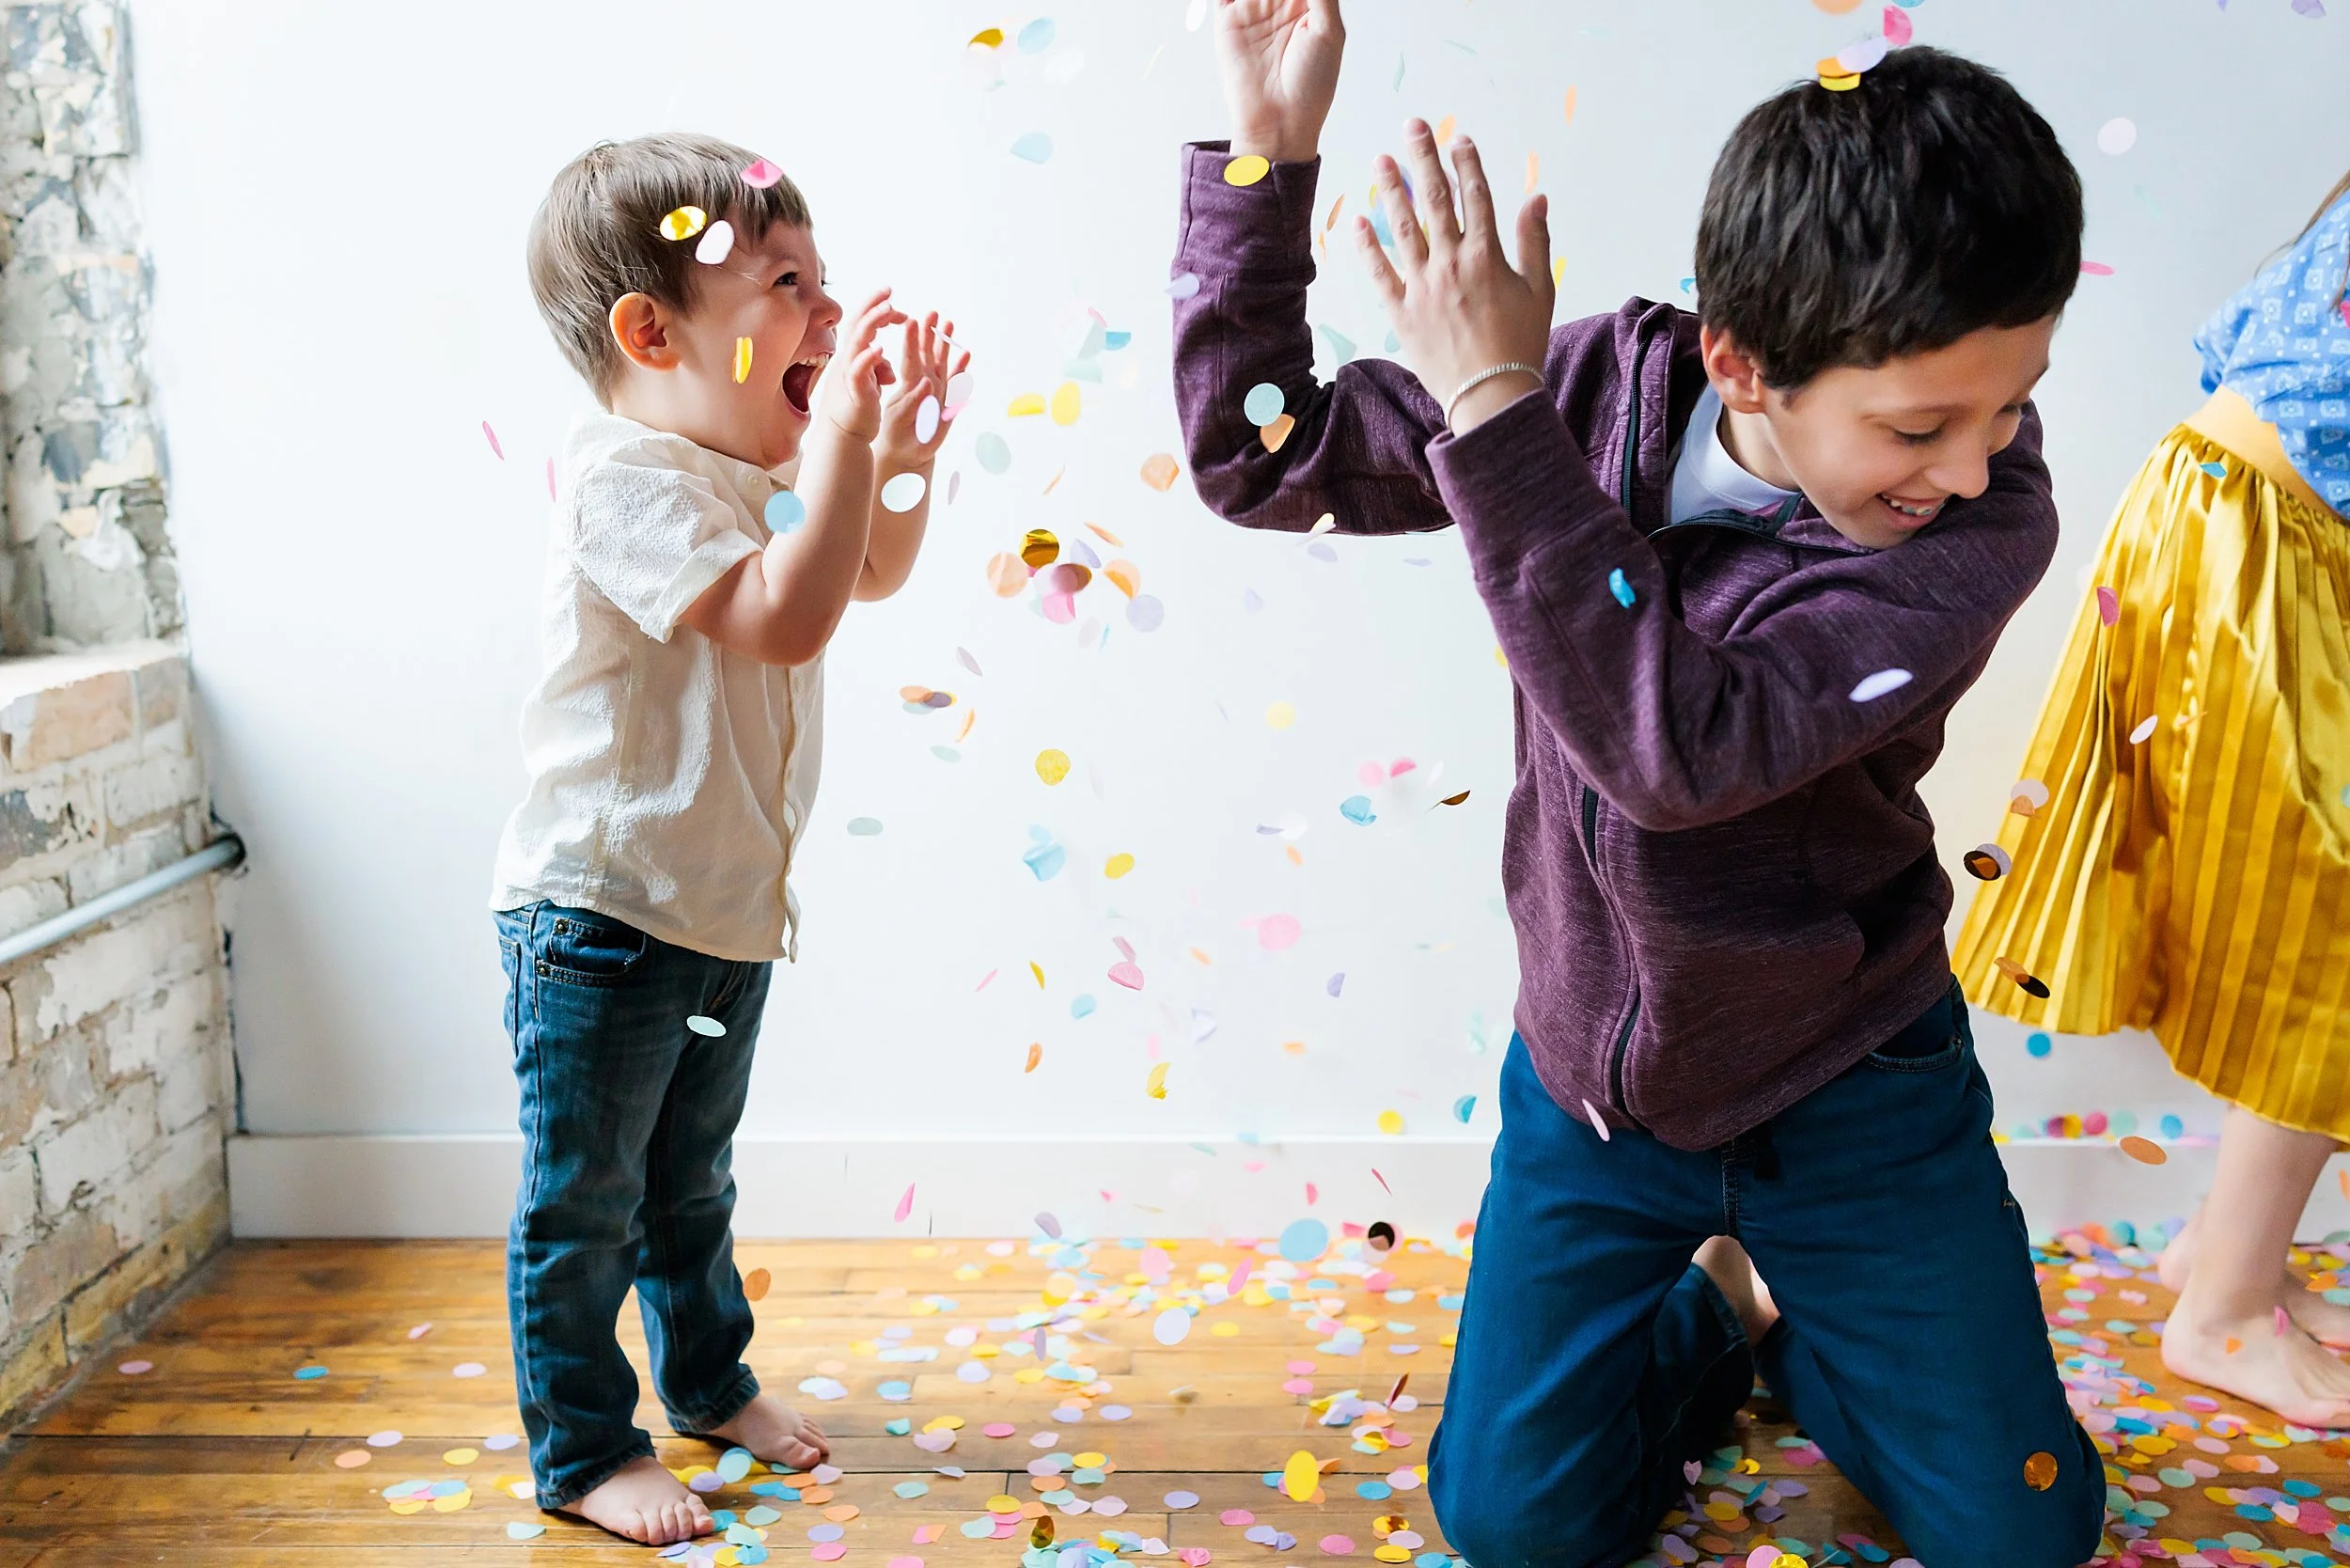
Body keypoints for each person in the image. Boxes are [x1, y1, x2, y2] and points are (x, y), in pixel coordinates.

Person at [1177, 2, 2103, 1560]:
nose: (1974, 461)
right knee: (1513, 1530)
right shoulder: (1588, 389)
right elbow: (1260, 458)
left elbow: (1676, 753)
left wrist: (1489, 414)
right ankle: (1711, 1318)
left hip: (1855, 1089)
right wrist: (1264, 165)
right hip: (1596, 1105)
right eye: (1923, 422)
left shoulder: (1984, 531)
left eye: (2013, 399)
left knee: (2027, 1537)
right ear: (1742, 360)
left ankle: (1834, 1343)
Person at [489, 132, 967, 1544]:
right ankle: (582, 1450)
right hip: (602, 914)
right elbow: (786, 613)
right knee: (585, 1205)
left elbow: (866, 567)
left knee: (687, 1184)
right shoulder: (627, 478)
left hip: (716, 912)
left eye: (826, 279)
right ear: (652, 331)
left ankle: (708, 1380)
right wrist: (839, 447)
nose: (829, 311)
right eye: (785, 282)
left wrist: (898, 448)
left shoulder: (750, 469)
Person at [1955, 171, 2350, 1428]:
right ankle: (2223, 1312)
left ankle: (2232, 1264)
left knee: (2305, 925)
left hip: (2244, 528)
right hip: (2252, 547)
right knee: (2332, 937)